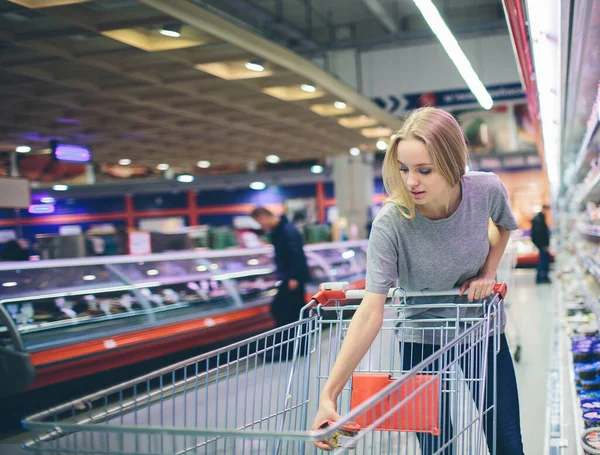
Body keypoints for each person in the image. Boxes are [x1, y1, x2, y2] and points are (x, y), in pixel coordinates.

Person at [311, 107, 524, 454]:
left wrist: (488, 271)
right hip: (421, 337)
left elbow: (503, 225)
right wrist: (328, 394)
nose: (411, 181)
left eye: (424, 170)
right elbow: (369, 311)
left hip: (480, 328)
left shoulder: (485, 189)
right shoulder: (391, 222)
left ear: (453, 163)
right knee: (435, 443)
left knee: (506, 438)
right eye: (404, 169)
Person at [251, 207, 311, 358]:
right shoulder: (282, 230)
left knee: (283, 311)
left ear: (264, 216)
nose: (261, 225)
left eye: (260, 222)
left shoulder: (286, 231)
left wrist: (293, 277)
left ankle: (289, 349)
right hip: (290, 277)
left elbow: (296, 254)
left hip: (291, 279)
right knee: (291, 312)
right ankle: (292, 348)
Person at [531, 205, 551, 284]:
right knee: (543, 261)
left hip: (541, 245)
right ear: (544, 210)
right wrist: (544, 245)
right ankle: (541, 278)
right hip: (542, 245)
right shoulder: (539, 220)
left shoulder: (539, 219)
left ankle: (543, 277)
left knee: (543, 261)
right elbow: (540, 234)